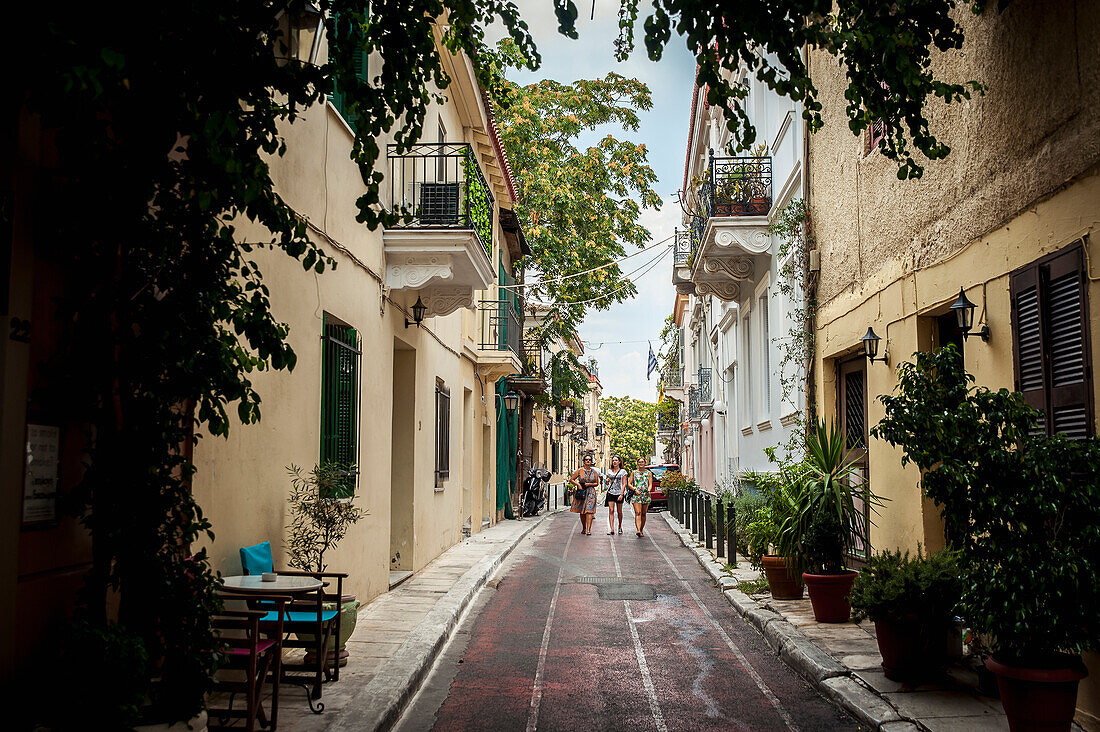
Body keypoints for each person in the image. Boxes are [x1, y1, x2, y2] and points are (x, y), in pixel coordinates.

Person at [569, 453, 600, 536]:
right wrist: (578, 485)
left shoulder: (595, 472)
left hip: (591, 493)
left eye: (590, 460)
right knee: (582, 511)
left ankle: (589, 530)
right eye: (586, 460)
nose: (588, 461)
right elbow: (571, 480)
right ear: (584, 461)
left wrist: (589, 484)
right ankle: (584, 528)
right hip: (582, 491)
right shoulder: (580, 470)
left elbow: (597, 483)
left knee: (589, 511)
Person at [603, 455, 628, 535]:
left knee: (619, 511)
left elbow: (624, 484)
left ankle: (620, 526)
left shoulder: (623, 471)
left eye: (616, 460)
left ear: (619, 462)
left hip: (619, 493)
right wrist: (606, 481)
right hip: (611, 492)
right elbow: (607, 482)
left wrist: (621, 494)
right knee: (611, 510)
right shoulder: (609, 471)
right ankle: (612, 529)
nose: (614, 462)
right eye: (613, 460)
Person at [629, 456, 652, 537]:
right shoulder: (634, 472)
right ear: (637, 463)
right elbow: (629, 484)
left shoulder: (648, 473)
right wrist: (635, 490)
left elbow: (650, 484)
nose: (641, 463)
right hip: (636, 495)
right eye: (639, 462)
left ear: (645, 463)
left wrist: (648, 490)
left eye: (642, 462)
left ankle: (641, 530)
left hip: (645, 495)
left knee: (643, 513)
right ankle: (638, 530)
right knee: (637, 512)